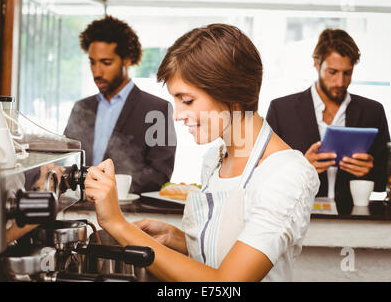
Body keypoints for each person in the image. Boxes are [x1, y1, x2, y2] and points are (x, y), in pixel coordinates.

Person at [84, 24, 320, 281]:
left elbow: (226, 284)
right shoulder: (215, 158)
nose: (178, 115)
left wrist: (116, 223)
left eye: (187, 101)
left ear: (230, 93)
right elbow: (227, 249)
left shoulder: (286, 174)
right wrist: (182, 240)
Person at [266, 28, 391, 213]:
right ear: (316, 64)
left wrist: (369, 171)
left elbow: (387, 181)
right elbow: (264, 176)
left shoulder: (373, 112)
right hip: (294, 217)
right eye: (332, 72)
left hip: (353, 220)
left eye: (347, 73)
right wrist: (301, 168)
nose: (340, 82)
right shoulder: (281, 110)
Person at [64, 16, 176, 194]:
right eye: (92, 62)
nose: (97, 72)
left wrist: (108, 188)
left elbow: (159, 175)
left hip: (129, 213)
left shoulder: (156, 109)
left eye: (106, 63)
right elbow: (67, 161)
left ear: (127, 60)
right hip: (80, 207)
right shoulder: (81, 108)